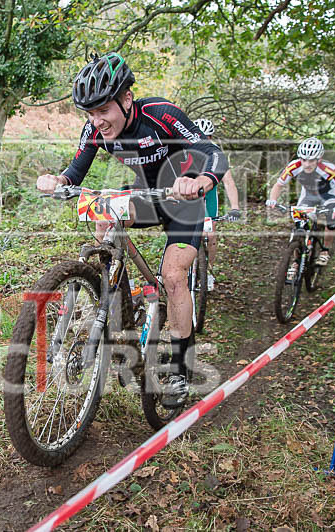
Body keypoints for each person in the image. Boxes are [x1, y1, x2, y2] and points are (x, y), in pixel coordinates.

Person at [36, 53, 229, 408]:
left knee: (172, 276)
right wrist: (59, 180)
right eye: (90, 113)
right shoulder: (95, 128)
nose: (97, 121)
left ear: (127, 99)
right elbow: (76, 170)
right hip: (145, 195)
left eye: (104, 110)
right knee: (103, 214)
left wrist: (201, 180)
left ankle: (179, 370)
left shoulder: (161, 115)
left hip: (183, 198)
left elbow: (212, 151)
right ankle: (108, 291)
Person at [266, 137, 335, 276]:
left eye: (311, 160)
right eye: (303, 159)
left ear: (319, 158)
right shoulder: (294, 166)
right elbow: (279, 185)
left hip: (327, 197)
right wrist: (272, 199)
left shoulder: (329, 169)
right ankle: (295, 261)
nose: (306, 164)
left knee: (331, 219)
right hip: (308, 198)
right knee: (299, 227)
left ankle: (325, 251)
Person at [194, 118, 241, 289]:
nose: (202, 141)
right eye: (199, 137)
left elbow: (228, 181)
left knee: (210, 234)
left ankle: (208, 271)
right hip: (188, 197)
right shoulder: (182, 149)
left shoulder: (216, 154)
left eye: (206, 137)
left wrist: (234, 207)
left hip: (208, 197)